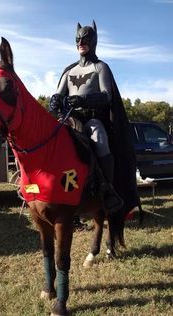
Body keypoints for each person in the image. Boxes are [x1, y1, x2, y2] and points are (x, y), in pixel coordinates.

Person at [49, 20, 139, 216]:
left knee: (100, 140)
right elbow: (58, 93)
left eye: (85, 38)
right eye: (78, 39)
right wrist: (54, 101)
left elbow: (107, 95)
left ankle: (107, 189)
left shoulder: (100, 67)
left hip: (92, 120)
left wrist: (83, 99)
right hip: (69, 120)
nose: (81, 42)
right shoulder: (69, 71)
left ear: (94, 40)